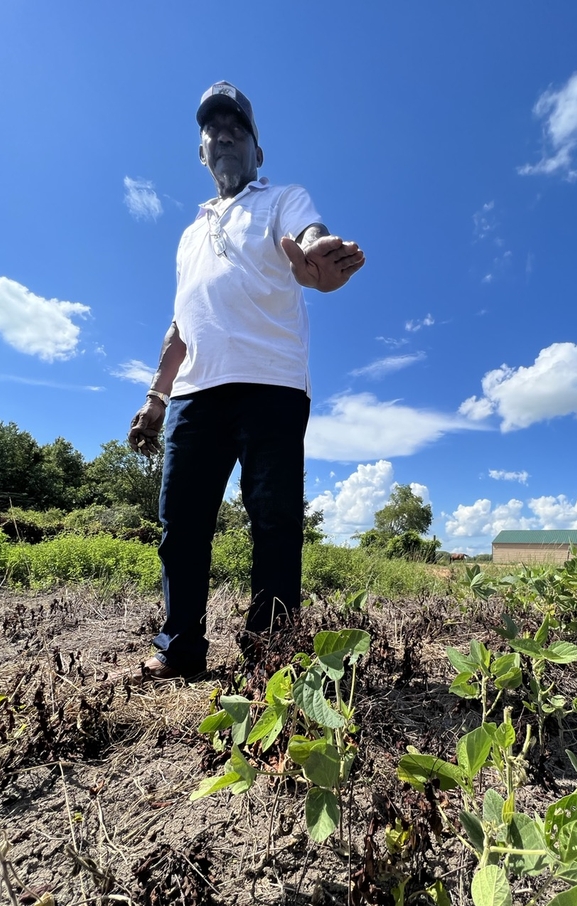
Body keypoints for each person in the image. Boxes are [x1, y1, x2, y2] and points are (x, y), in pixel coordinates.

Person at [127, 82, 364, 680]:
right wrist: (157, 396)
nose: (224, 133)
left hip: (272, 385)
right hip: (194, 394)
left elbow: (308, 234)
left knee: (276, 520)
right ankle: (179, 647)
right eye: (213, 128)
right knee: (180, 522)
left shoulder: (282, 196)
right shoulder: (188, 236)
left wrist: (317, 256)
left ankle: (272, 654)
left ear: (258, 150)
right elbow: (182, 322)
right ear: (201, 153)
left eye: (238, 127)